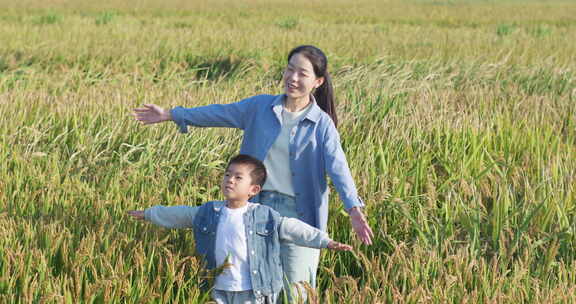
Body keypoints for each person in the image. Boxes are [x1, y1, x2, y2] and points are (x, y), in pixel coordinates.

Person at [133, 45, 373, 302]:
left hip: (301, 213)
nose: (292, 78)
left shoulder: (322, 124)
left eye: (302, 73)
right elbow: (218, 113)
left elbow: (339, 168)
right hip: (257, 210)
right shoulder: (260, 107)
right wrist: (172, 114)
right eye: (289, 69)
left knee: (298, 293)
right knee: (258, 288)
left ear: (318, 81)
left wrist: (354, 209)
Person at [128, 154, 352, 304]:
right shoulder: (209, 212)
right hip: (217, 287)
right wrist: (149, 214)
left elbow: (292, 228)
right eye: (227, 175)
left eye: (238, 177)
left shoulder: (264, 216)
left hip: (253, 290)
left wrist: (325, 241)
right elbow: (180, 215)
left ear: (253, 189)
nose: (230, 180)